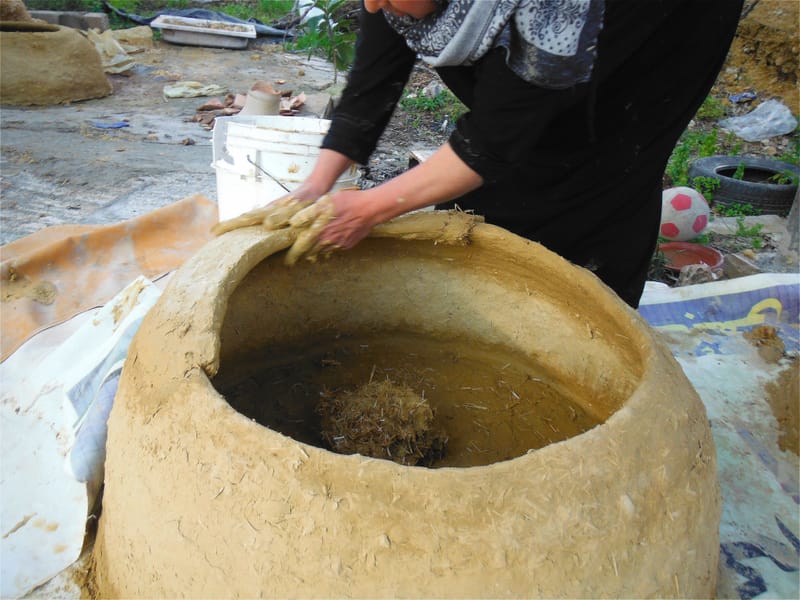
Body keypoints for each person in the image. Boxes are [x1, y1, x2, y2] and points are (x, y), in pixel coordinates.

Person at [222, 0, 743, 308]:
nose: (373, 4)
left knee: (592, 173)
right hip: (525, 65)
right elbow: (373, 80)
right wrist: (317, 184)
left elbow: (494, 136)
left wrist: (370, 208)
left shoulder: (555, 12)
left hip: (646, 49)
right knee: (490, 201)